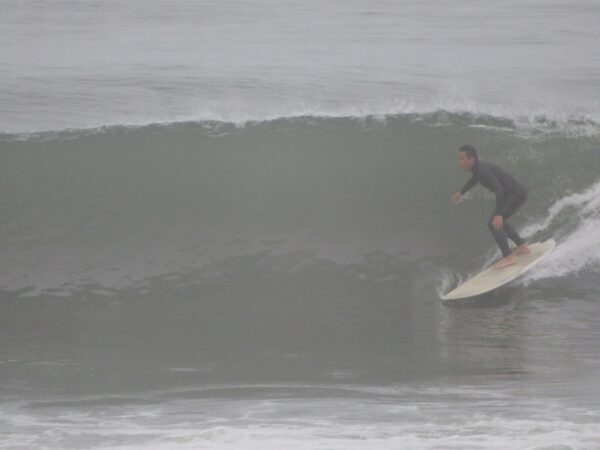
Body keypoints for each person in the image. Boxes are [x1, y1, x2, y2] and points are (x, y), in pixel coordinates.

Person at [452, 144, 530, 269]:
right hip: (513, 193)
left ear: (471, 159)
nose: (459, 162)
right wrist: (462, 192)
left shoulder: (482, 170)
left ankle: (508, 257)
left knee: (494, 223)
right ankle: (522, 246)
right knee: (499, 222)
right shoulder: (478, 168)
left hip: (515, 194)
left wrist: (499, 214)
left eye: (461, 158)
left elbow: (499, 190)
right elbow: (475, 179)